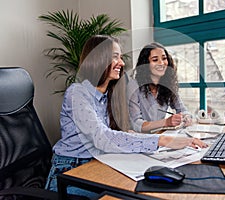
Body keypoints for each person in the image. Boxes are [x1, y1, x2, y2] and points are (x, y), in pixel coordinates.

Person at [45, 35, 208, 198]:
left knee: (147, 187)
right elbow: (101, 137)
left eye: (121, 57)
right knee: (131, 192)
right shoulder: (77, 92)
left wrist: (136, 136)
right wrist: (162, 140)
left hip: (97, 162)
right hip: (70, 171)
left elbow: (110, 133)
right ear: (99, 59)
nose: (122, 63)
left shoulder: (107, 95)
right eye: (115, 57)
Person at [127, 42, 192, 133]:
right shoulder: (134, 85)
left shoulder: (168, 85)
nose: (161, 63)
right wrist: (166, 122)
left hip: (160, 135)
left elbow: (183, 110)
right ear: (146, 64)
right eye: (155, 60)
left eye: (164, 58)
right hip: (140, 138)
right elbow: (136, 124)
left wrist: (186, 117)